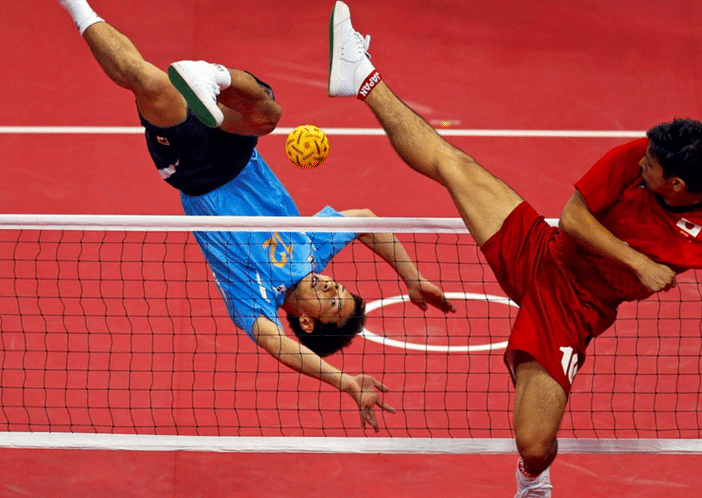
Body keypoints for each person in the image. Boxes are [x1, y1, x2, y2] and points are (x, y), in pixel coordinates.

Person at [326, 1, 702, 495]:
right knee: (454, 164)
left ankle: (532, 479)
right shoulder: (640, 153)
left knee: (534, 443)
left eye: (652, 168)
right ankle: (363, 75)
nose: (641, 163)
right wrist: (638, 261)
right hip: (542, 250)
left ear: (680, 187)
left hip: (572, 308)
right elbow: (571, 218)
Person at [59, 0, 456, 432]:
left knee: (148, 81)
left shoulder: (254, 298)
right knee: (268, 113)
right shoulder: (312, 252)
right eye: (339, 288)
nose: (331, 284)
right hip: (238, 148)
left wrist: (345, 383)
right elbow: (364, 220)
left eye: (332, 299)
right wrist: (411, 277)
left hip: (194, 171)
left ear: (305, 319)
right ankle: (211, 77)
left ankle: (75, 5)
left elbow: (277, 345)